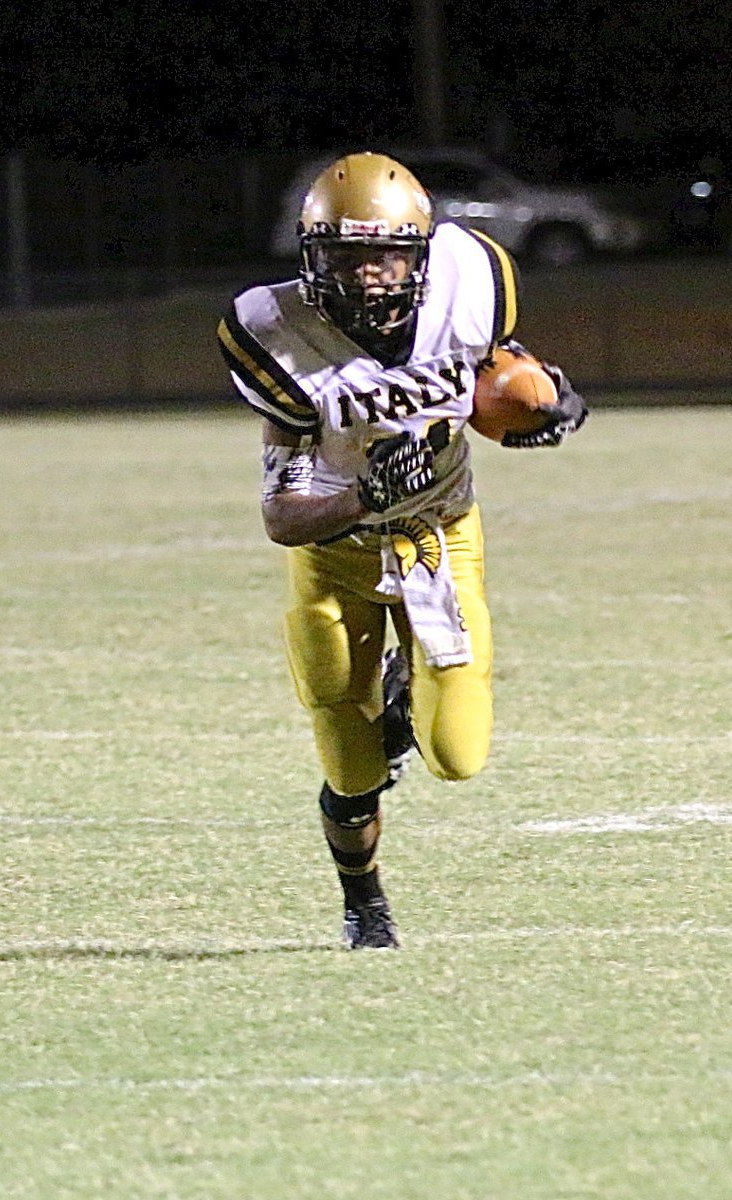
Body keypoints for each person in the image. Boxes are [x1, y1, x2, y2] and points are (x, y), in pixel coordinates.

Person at [217, 151, 586, 949]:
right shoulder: (274, 336)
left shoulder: (474, 278)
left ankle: (401, 704)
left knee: (457, 754)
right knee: (349, 765)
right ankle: (363, 904)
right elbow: (282, 517)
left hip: (439, 536)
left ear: (421, 252)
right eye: (349, 256)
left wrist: (545, 393)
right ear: (313, 258)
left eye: (387, 253)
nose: (372, 276)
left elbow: (501, 366)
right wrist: (364, 496)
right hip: (335, 554)